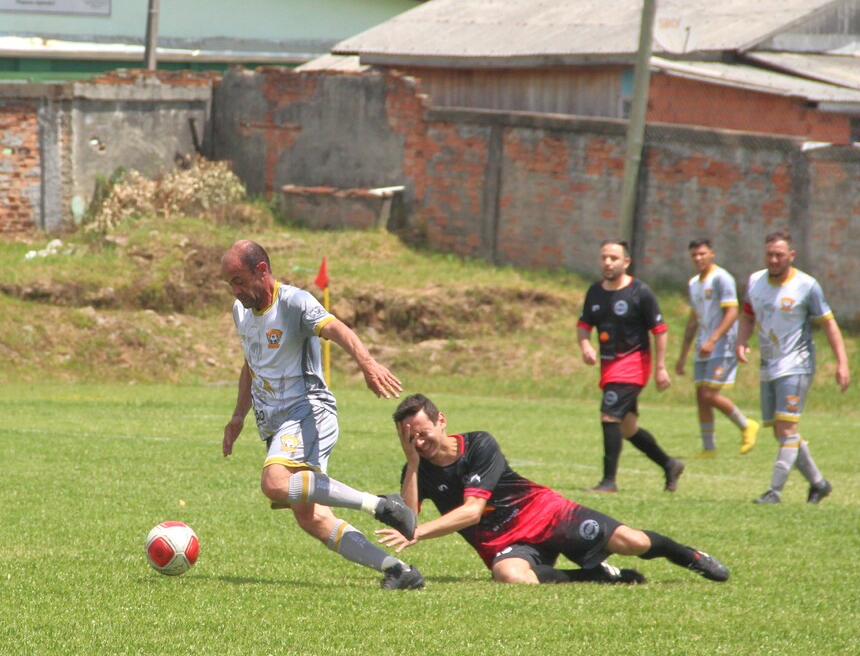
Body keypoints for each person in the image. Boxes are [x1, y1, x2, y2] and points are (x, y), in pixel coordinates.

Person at [219, 239, 425, 589]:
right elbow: (250, 364)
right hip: (274, 423)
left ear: (262, 271)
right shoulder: (242, 312)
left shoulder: (294, 302)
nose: (235, 291)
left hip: (308, 410)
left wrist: (367, 363)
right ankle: (399, 570)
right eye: (230, 284)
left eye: (239, 281)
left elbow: (337, 328)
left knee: (275, 483)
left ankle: (382, 506)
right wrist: (238, 416)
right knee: (311, 517)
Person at [376, 394, 730, 586]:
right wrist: (412, 463)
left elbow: (469, 512)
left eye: (423, 432)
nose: (419, 441)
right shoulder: (415, 468)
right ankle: (596, 576)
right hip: (503, 543)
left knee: (633, 543)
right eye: (410, 437)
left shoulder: (479, 444)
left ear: (441, 420)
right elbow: (410, 518)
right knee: (511, 577)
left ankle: (692, 558)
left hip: (546, 513)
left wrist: (418, 534)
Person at [735, 231, 850, 504]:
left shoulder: (807, 286)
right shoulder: (755, 281)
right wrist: (741, 341)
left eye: (779, 255)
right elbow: (748, 314)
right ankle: (819, 484)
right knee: (781, 432)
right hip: (769, 363)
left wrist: (842, 362)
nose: (774, 260)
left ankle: (774, 493)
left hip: (797, 363)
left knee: (786, 429)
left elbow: (829, 323)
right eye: (770, 254)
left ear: (791, 256)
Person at [577, 239, 684, 493]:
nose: (607, 262)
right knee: (627, 428)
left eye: (614, 258)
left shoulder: (640, 292)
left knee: (609, 416)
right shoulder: (595, 291)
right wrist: (586, 346)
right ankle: (670, 464)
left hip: (633, 365)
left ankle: (608, 482)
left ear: (626, 262)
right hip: (608, 367)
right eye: (604, 257)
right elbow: (584, 326)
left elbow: (659, 330)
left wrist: (660, 368)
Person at [675, 237, 760, 458]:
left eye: (702, 253)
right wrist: (683, 356)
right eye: (694, 255)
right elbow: (693, 319)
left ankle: (746, 425)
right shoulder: (694, 283)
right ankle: (708, 448)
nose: (698, 258)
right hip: (703, 347)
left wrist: (713, 339)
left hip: (722, 345)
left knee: (710, 394)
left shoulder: (722, 278)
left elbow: (732, 312)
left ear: (712, 253)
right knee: (700, 395)